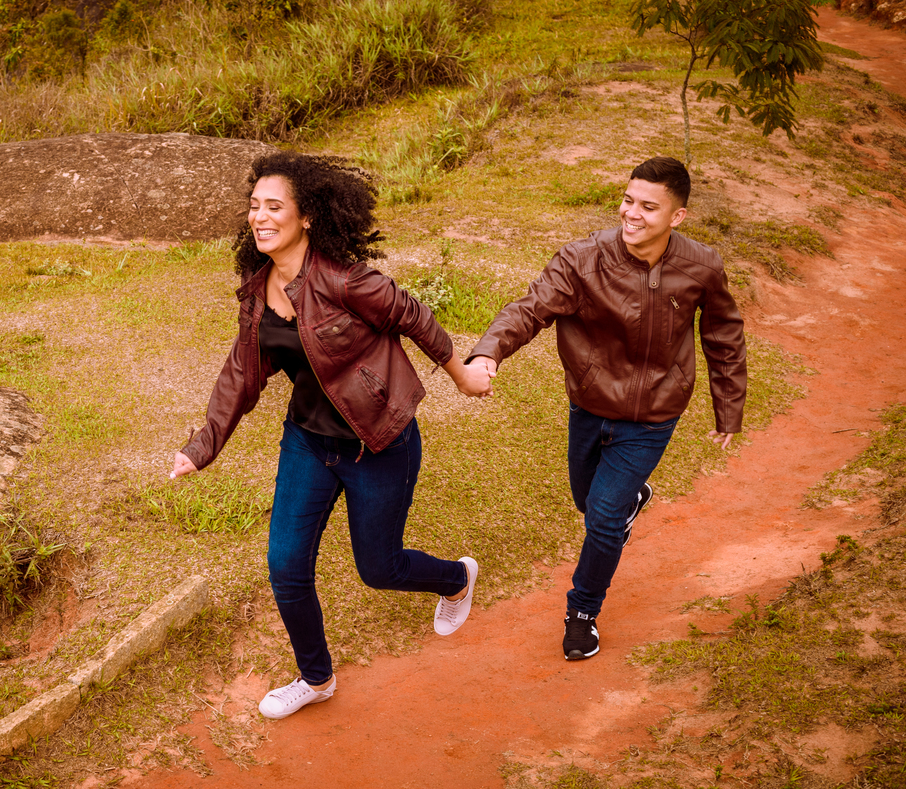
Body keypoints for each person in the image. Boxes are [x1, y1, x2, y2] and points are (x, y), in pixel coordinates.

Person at [173, 151, 492, 719]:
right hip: (308, 443)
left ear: (307, 218)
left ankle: (455, 578)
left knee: (379, 568)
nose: (260, 218)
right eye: (254, 207)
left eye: (275, 207)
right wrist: (202, 447)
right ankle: (316, 677)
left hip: (378, 443)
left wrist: (463, 374)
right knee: (286, 567)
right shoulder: (258, 291)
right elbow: (242, 374)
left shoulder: (345, 280)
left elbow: (411, 314)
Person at [466, 156, 747, 661]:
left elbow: (723, 335)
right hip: (592, 406)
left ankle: (582, 612)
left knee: (601, 517)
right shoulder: (582, 260)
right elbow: (530, 309)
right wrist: (490, 350)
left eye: (647, 206)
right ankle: (630, 498)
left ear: (677, 217)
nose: (631, 214)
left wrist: (727, 407)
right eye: (627, 200)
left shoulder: (701, 266)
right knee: (587, 498)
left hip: (655, 414)